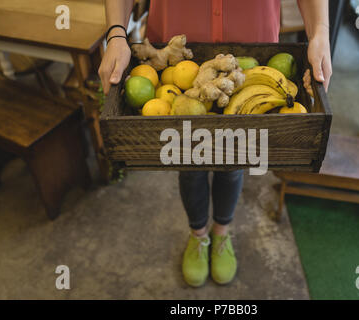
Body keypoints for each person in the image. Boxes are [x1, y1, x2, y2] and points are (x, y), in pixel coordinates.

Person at [99, 0, 332, 287]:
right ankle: (198, 235)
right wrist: (116, 34)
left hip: (252, 47)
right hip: (176, 48)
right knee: (187, 159)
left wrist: (320, 32)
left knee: (234, 158)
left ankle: (221, 231)